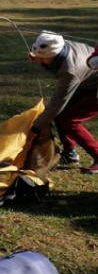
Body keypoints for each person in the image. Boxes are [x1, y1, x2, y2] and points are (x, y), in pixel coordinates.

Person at [29, 31, 98, 173]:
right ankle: (70, 153)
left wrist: (36, 128)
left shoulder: (70, 70)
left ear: (53, 55)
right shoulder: (59, 45)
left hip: (93, 85)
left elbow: (58, 102)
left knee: (70, 120)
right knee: (61, 116)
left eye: (43, 58)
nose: (40, 60)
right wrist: (39, 57)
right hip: (88, 81)